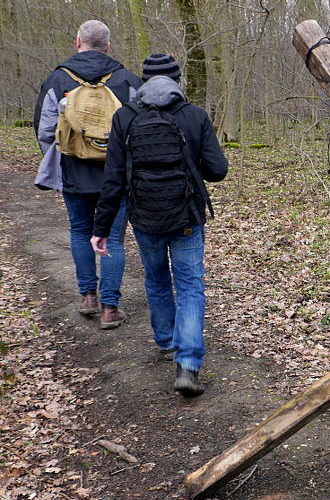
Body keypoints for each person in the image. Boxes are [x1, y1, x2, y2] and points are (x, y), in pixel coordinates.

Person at [91, 53, 228, 397]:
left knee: (156, 278)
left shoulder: (124, 117)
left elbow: (114, 181)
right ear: (177, 81)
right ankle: (188, 363)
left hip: (145, 217)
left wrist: (102, 227)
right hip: (187, 218)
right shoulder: (194, 115)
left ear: (143, 81)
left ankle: (166, 340)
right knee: (191, 285)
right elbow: (218, 170)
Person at [33, 20, 140, 329]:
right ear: (107, 46)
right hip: (116, 174)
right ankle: (110, 308)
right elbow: (138, 128)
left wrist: (60, 159)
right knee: (114, 240)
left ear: (78, 41)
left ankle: (88, 297)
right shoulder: (126, 80)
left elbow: (44, 130)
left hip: (73, 172)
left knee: (80, 231)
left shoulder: (57, 79)